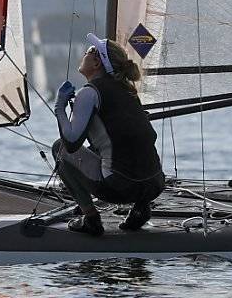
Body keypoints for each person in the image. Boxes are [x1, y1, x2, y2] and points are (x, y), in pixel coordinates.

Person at [53, 33, 165, 235]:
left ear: (96, 62)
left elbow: (70, 143)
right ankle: (141, 208)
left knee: (58, 148)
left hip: (118, 188)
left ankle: (91, 218)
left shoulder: (89, 92)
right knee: (117, 147)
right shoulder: (129, 90)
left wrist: (60, 107)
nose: (83, 55)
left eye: (87, 53)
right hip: (155, 185)